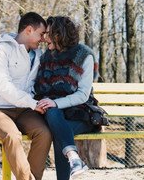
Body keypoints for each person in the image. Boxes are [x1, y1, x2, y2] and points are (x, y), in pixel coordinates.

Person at [0, 12, 53, 180]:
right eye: (41, 34)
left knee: (45, 133)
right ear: (29, 30)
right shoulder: (1, 51)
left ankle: (33, 177)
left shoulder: (38, 56)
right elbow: (2, 86)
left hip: (24, 110)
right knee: (12, 136)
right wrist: (31, 102)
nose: (43, 39)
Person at [34, 16, 99, 180]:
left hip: (80, 114)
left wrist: (55, 102)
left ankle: (72, 162)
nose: (45, 38)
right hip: (53, 115)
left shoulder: (83, 56)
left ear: (59, 34)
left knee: (60, 130)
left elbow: (83, 95)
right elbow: (37, 88)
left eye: (48, 34)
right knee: (54, 116)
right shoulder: (45, 57)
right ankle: (74, 159)